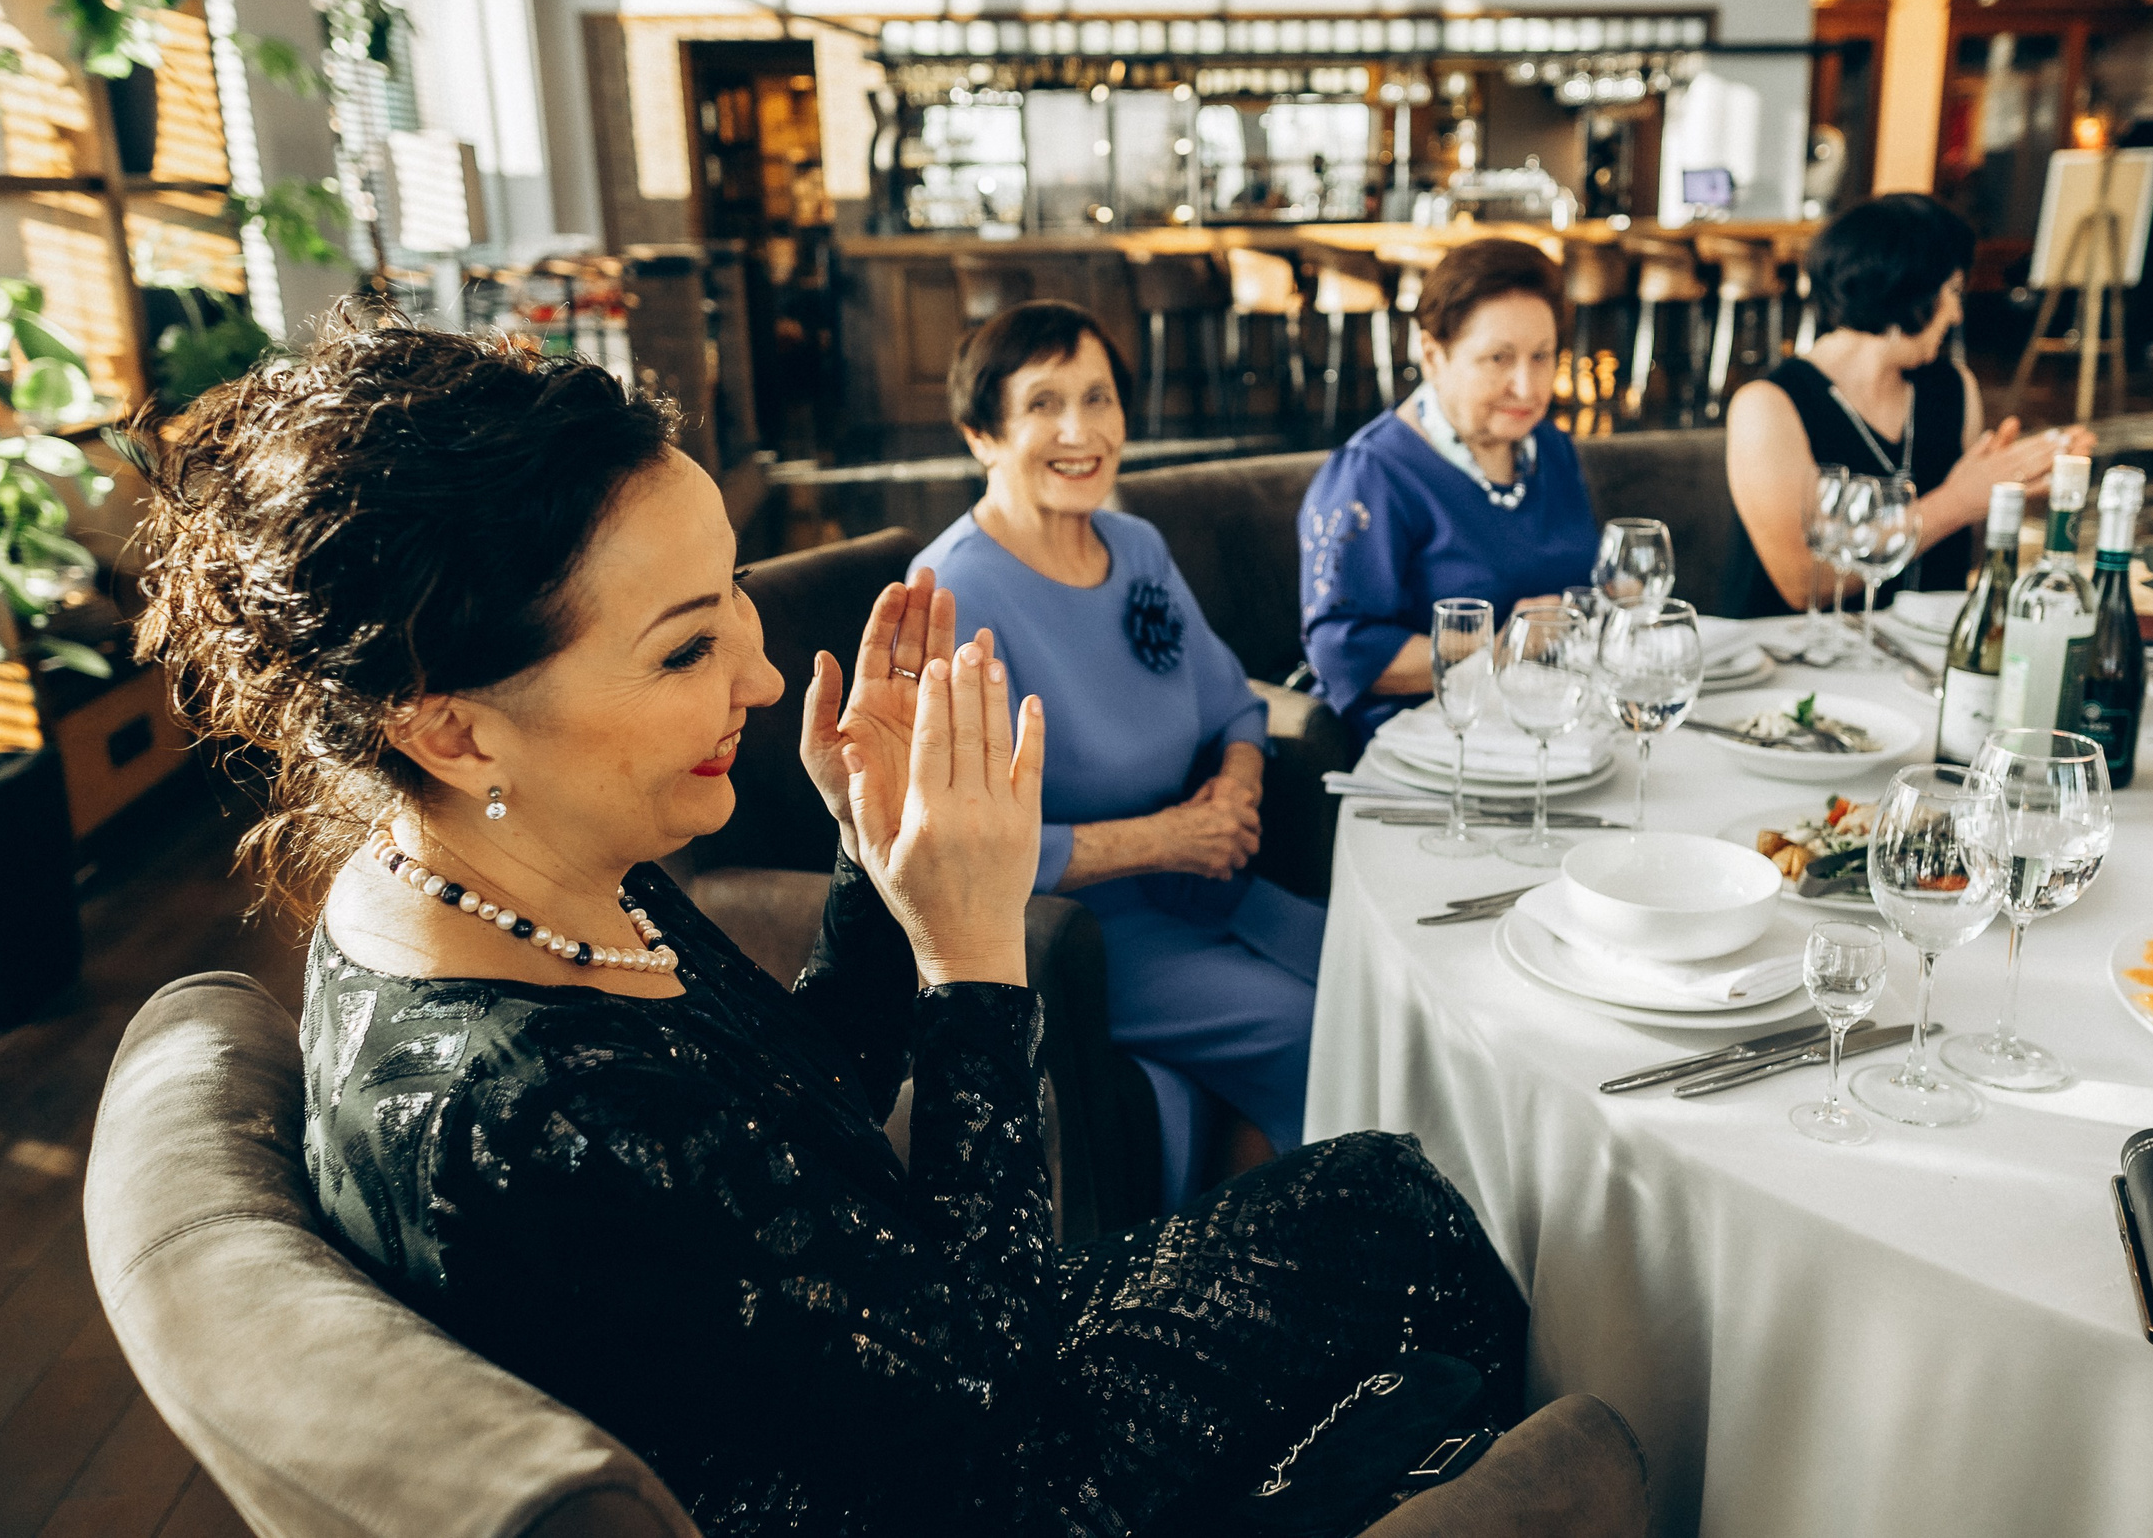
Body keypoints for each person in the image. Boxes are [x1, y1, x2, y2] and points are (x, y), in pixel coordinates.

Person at [132, 314, 1525, 1538]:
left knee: (1381, 1186)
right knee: (1409, 1231)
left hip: (897, 1374)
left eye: (733, 592)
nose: (758, 665)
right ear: (448, 721)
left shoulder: (496, 867)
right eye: (684, 645)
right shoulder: (516, 1107)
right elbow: (995, 1419)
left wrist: (875, 860)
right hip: (953, 1476)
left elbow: (794, 1129)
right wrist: (976, 962)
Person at [913, 301, 1323, 1210]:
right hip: (1082, 938)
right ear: (983, 434)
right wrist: (1169, 837)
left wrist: (1235, 795)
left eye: (1098, 398)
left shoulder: (1136, 547)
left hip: (1215, 887)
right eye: (1044, 404)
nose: (1079, 430)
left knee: (1375, 983)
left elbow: (1234, 707)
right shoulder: (953, 593)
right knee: (1320, 1031)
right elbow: (964, 842)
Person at [1720, 193, 2093, 619]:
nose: (1956, 314)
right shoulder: (1769, 405)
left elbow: (1961, 557)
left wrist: (2010, 486)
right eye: (1952, 290)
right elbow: (1805, 581)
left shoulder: (1952, 388)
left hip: (1918, 654)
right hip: (1791, 660)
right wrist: (1959, 499)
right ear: (1904, 288)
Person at [1297, 238, 1600, 742]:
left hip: (1549, 725)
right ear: (1433, 354)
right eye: (1498, 358)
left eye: (1542, 357)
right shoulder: (1371, 474)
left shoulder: (1550, 447)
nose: (1527, 387)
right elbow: (1341, 654)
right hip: (1425, 746)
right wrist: (1501, 646)